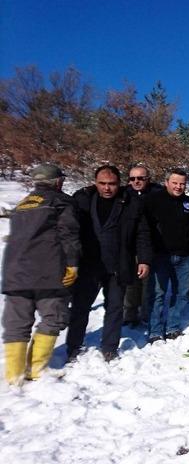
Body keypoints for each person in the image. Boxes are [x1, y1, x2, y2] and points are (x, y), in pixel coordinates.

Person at [2, 164, 80, 385]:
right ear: (58, 182)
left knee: (17, 322)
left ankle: (13, 374)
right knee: (53, 317)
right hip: (48, 271)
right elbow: (69, 234)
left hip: (15, 273)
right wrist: (73, 264)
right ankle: (36, 368)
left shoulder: (21, 205)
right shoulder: (60, 202)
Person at [66, 165, 151, 362]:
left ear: (119, 184)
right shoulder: (83, 200)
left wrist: (144, 259)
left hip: (117, 264)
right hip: (88, 263)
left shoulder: (131, 203)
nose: (106, 188)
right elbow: (67, 230)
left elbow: (142, 234)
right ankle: (73, 346)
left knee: (114, 307)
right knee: (80, 306)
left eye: (111, 184)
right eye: (102, 183)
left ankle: (109, 347)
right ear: (95, 182)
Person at [142, 168, 189, 343]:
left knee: (183, 292)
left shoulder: (188, 203)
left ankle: (172, 326)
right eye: (175, 183)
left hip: (184, 256)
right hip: (160, 255)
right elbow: (144, 229)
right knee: (158, 294)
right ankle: (155, 330)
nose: (179, 187)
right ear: (166, 182)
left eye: (182, 184)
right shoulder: (152, 200)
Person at [122, 164, 163, 327]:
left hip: (151, 245)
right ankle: (130, 314)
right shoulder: (124, 195)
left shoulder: (158, 194)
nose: (136, 181)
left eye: (140, 178)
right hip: (129, 246)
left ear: (148, 179)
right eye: (132, 178)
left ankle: (146, 313)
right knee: (131, 282)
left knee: (148, 283)